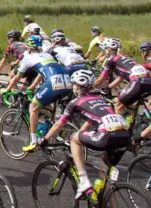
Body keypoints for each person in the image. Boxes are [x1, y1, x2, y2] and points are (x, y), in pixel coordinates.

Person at [39, 70, 130, 200]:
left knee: (73, 139)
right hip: (125, 136)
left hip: (107, 136)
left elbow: (58, 125)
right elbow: (89, 121)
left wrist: (45, 139)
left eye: (74, 84)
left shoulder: (75, 102)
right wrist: (81, 134)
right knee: (104, 177)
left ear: (77, 86)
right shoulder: (101, 98)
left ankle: (83, 180)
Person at [2, 37, 73, 153]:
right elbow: (41, 74)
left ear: (27, 48)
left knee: (33, 107)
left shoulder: (28, 58)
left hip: (53, 82)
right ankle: (54, 123)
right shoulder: (47, 55)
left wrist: (6, 90)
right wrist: (32, 87)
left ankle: (33, 142)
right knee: (46, 104)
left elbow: (16, 77)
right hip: (67, 82)